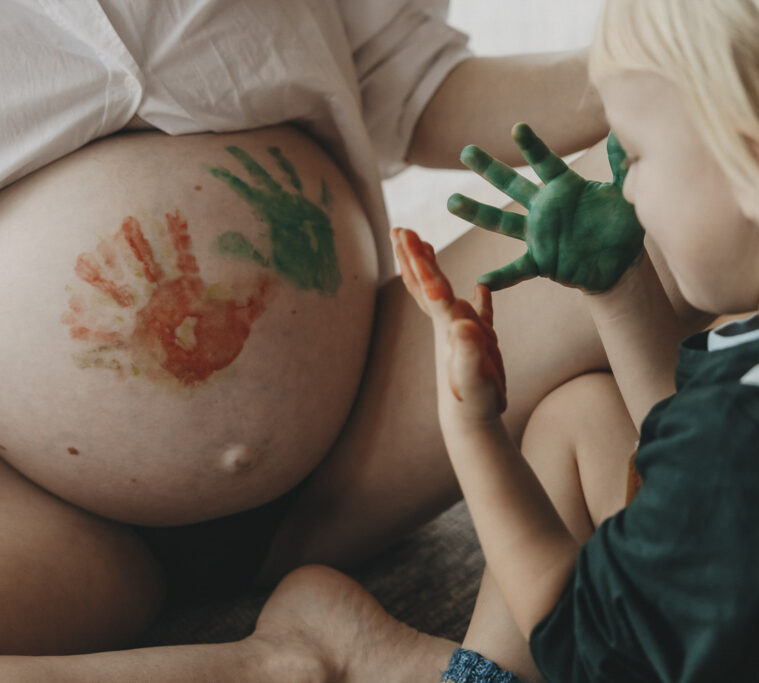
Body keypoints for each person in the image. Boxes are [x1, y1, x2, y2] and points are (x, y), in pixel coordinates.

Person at [2, 1, 759, 682]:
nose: (623, 174)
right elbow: (693, 449)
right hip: (59, 510)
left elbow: (568, 615)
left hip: (362, 426)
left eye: (635, 150)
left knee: (589, 423)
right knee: (594, 406)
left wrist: (473, 430)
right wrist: (622, 274)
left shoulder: (753, 453)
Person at [0, 0, 629, 656]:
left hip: (371, 424)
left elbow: (413, 85)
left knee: (677, 168)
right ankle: (275, 664)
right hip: (57, 523)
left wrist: (650, 68)